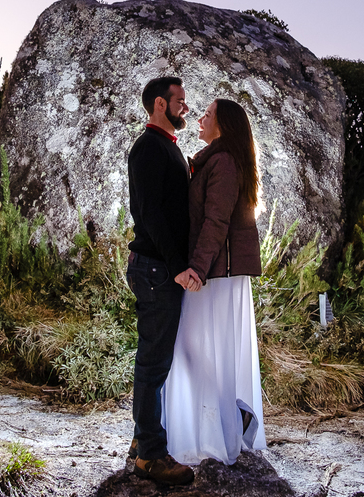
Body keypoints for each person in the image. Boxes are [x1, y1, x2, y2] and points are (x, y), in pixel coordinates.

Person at [163, 97, 267, 466]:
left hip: (214, 273)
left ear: (222, 125)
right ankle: (231, 414)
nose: (201, 118)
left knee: (191, 346)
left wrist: (198, 270)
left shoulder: (222, 162)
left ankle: (230, 416)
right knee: (197, 347)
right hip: (213, 270)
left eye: (207, 114)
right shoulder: (216, 159)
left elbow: (216, 222)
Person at [126, 76, 195, 486]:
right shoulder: (148, 147)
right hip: (155, 269)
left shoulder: (167, 147)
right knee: (153, 364)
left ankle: (141, 442)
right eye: (180, 101)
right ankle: (150, 456)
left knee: (155, 362)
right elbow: (150, 214)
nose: (185, 107)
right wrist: (175, 266)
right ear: (159, 104)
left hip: (157, 268)